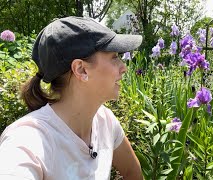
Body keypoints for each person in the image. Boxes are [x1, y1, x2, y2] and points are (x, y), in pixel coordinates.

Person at [0, 16, 143, 180]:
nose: (124, 68)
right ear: (81, 70)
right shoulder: (26, 141)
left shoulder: (106, 121)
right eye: (114, 57)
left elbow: (133, 172)